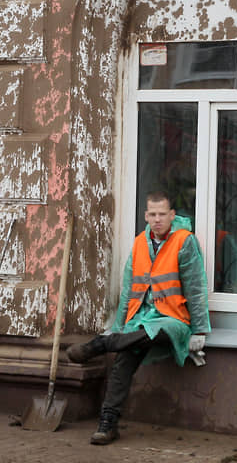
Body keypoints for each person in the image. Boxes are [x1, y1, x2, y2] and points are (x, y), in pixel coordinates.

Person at [66, 190, 210, 445]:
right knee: (124, 358)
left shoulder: (184, 241)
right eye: (152, 214)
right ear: (146, 215)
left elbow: (195, 287)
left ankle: (99, 345)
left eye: (162, 214)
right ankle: (107, 423)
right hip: (140, 319)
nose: (157, 219)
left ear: (172, 215)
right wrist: (119, 326)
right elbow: (129, 290)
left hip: (173, 320)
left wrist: (199, 330)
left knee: (146, 334)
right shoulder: (139, 243)